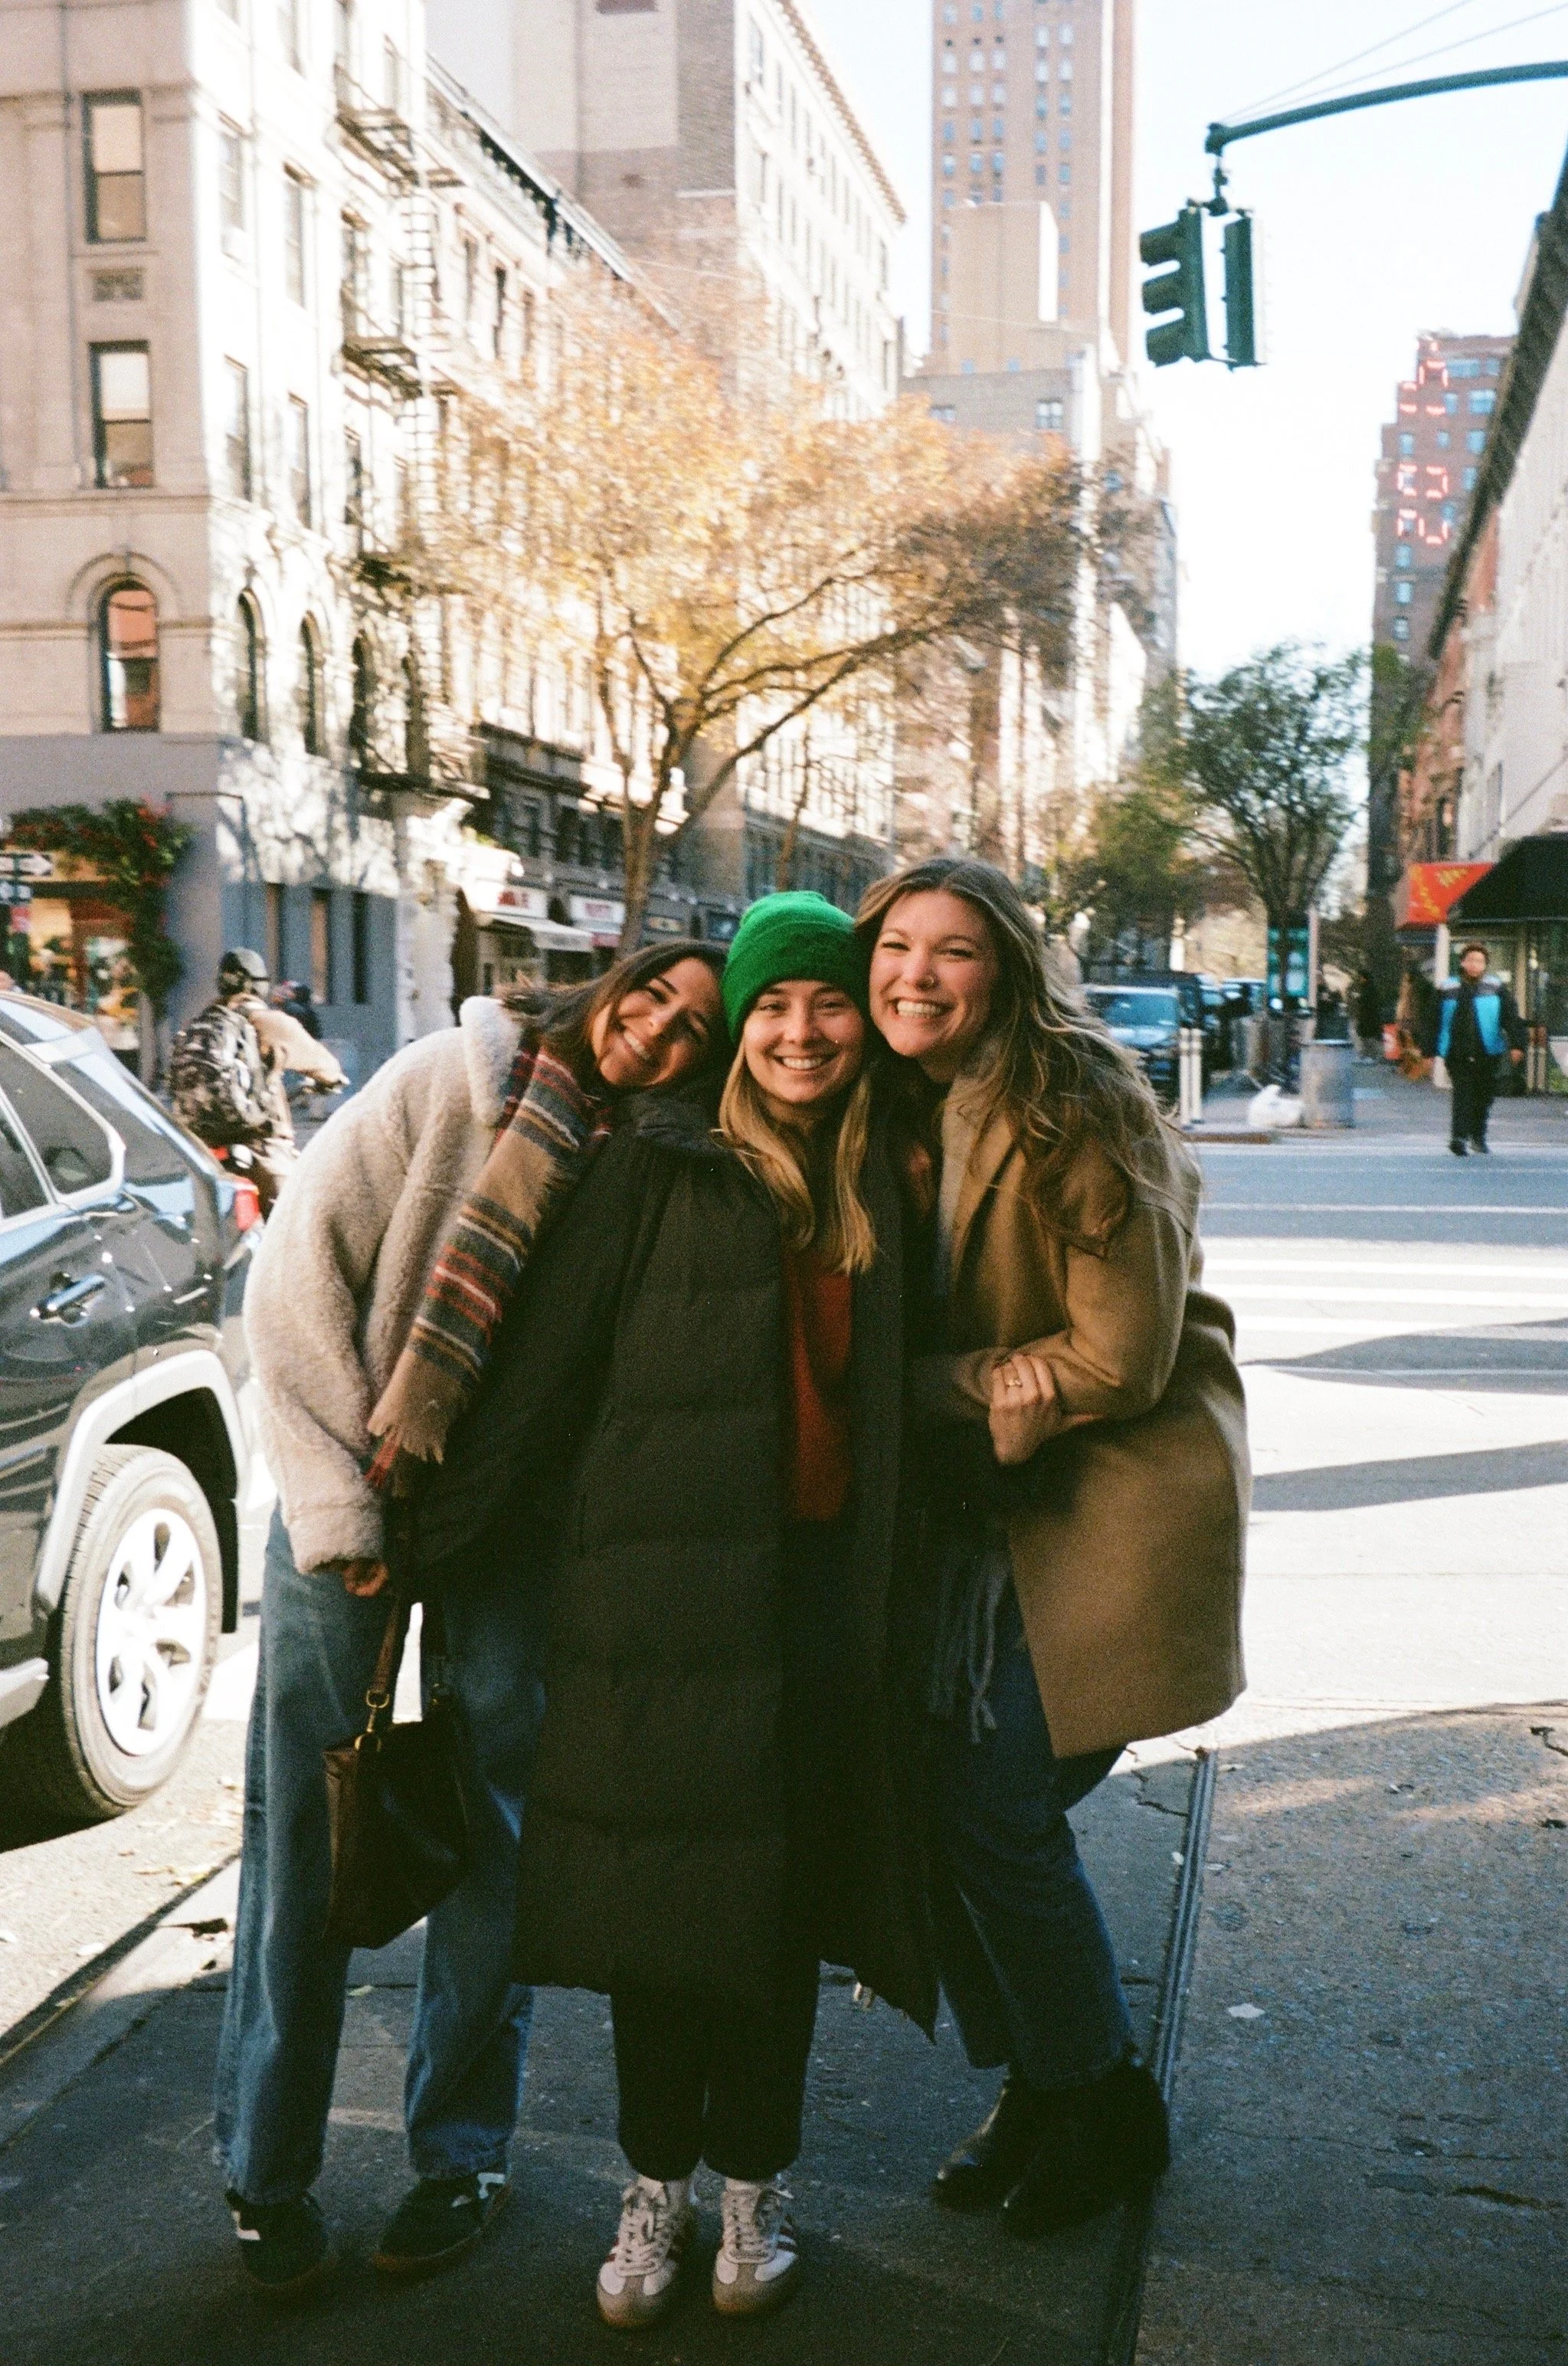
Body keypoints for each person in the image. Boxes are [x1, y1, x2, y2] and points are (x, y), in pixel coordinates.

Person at [417, 893, 931, 2332]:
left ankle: (753, 2188)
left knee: (772, 1909)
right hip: (649, 1593)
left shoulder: (889, 1175)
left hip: (816, 1597)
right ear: (738, 1030)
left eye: (826, 1001)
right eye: (771, 1005)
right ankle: (652, 2185)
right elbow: (546, 1375)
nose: (800, 1029)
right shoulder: (655, 1164)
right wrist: (426, 1539)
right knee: (660, 1905)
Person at [214, 942, 726, 2299]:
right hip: (356, 1499)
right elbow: (297, 1282)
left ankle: (461, 2154)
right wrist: (340, 1518)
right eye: (657, 995)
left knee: (501, 1833)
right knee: (309, 1839)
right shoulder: (463, 1074)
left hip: (511, 1535)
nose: (662, 1031)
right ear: (616, 978)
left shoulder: (655, 1156)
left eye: (696, 1031)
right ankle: (267, 2173)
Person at [857, 857, 1249, 2237]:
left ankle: (1101, 2100)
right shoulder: (883, 1100)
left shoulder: (1075, 1100)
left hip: (1102, 1504)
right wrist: (975, 1383)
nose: (914, 972)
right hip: (973, 1513)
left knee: (993, 1802)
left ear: (1007, 972)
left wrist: (921, 1386)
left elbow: (1120, 1354)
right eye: (895, 944)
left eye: (952, 950)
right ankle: (1041, 2077)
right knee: (930, 1798)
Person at [169, 948, 342, 1214]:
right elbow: (327, 1066)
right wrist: (330, 1079)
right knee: (294, 1228)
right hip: (262, 1153)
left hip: (204, 1156)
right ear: (257, 984)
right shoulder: (268, 1022)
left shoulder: (198, 1024)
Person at [1437, 942, 1526, 1156]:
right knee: (1462, 1093)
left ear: (1485, 965)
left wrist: (1517, 1044)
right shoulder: (1448, 988)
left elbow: (1511, 1018)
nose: (1475, 965)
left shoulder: (1495, 988)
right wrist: (1428, 1051)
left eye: (1480, 961)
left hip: (1488, 1051)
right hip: (1457, 1051)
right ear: (1462, 962)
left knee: (1483, 1096)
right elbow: (1432, 1019)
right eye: (1471, 960)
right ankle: (1458, 1137)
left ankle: (1478, 1136)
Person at [1354, 967, 1383, 1060]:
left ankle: (1372, 1055)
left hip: (1368, 1018)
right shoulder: (1368, 988)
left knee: (1369, 1037)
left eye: (1361, 977)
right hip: (1367, 1018)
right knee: (1367, 1037)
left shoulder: (1368, 989)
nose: (1360, 979)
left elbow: (1369, 1002)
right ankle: (1368, 1055)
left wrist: (1359, 998)